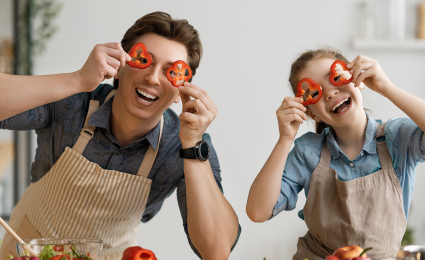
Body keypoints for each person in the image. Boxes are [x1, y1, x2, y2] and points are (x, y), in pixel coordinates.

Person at [0, 11, 240, 260]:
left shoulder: (183, 146)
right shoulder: (71, 105)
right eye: (144, 61)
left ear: (182, 89)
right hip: (26, 254)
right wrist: (78, 79)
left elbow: (216, 251)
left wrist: (192, 145)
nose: (153, 78)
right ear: (119, 66)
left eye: (171, 72)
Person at [246, 48, 425, 260]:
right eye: (315, 93)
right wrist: (285, 139)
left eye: (337, 77)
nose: (330, 93)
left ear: (357, 79)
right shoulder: (307, 152)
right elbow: (257, 212)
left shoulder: (396, 138)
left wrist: (387, 88)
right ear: (311, 112)